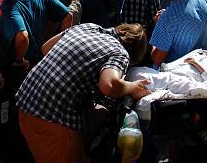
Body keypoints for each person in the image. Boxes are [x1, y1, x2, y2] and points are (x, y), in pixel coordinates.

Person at [17, 22, 149, 163]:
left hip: (26, 101)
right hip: (52, 117)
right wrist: (133, 87)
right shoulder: (120, 53)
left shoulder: (88, 27)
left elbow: (46, 48)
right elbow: (109, 85)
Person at [150, 0, 207, 67]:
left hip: (174, 73)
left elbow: (157, 60)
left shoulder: (168, 16)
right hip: (202, 66)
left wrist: (158, 27)